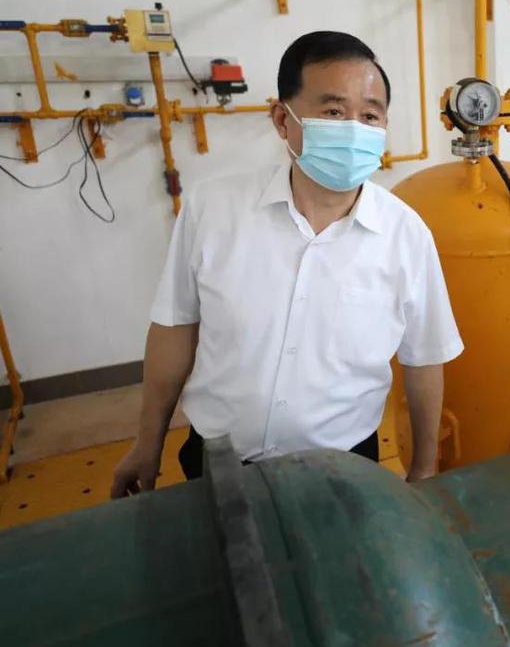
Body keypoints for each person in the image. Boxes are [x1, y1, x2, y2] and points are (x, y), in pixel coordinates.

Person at [111, 31, 463, 496]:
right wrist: (147, 442)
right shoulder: (213, 210)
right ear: (283, 118)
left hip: (344, 467)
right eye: (333, 112)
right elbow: (176, 328)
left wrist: (424, 468)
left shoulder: (406, 235)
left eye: (369, 115)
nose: (353, 129)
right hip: (217, 462)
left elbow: (423, 360)